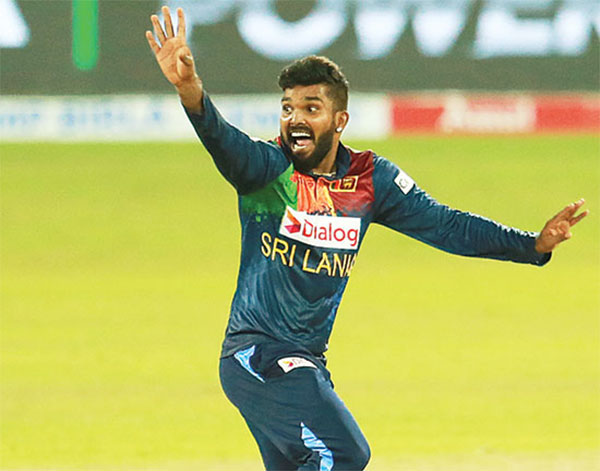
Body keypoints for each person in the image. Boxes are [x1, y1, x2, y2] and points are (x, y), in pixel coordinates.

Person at [146, 6, 588, 470]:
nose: (295, 119)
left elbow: (446, 225)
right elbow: (221, 138)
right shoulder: (266, 172)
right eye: (287, 108)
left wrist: (531, 245)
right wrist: (190, 90)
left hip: (306, 361)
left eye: (311, 108)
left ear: (340, 120)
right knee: (343, 453)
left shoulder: (371, 180)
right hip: (257, 356)